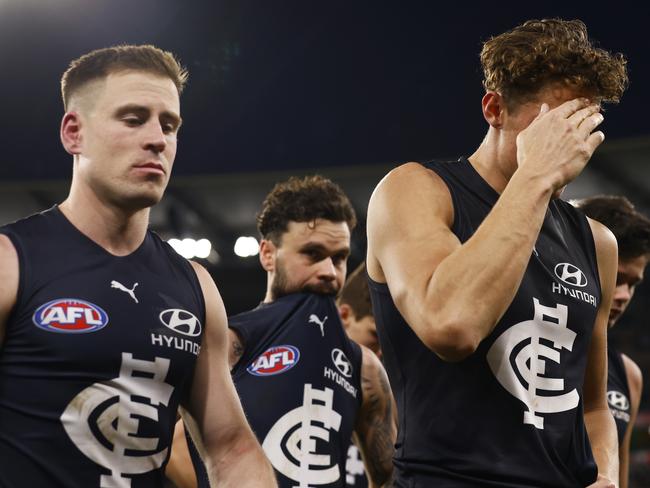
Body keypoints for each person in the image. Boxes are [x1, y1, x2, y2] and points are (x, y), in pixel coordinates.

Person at [366, 18, 628, 487]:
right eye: (557, 122)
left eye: (584, 123)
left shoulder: (597, 242)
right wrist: (535, 177)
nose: (571, 142)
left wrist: (607, 475)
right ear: (495, 109)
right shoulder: (414, 191)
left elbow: (591, 404)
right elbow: (452, 324)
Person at [0, 45, 275, 487]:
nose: (157, 139)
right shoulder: (10, 262)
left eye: (169, 125)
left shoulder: (195, 286)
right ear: (75, 133)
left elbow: (231, 448)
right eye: (133, 119)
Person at [168, 175, 395, 488]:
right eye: (313, 254)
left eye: (339, 258)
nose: (329, 272)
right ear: (268, 254)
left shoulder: (364, 366)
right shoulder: (229, 341)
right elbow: (165, 449)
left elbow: (388, 478)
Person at [575, 195, 650, 488]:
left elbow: (620, 480)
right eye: (617, 278)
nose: (623, 296)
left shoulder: (628, 376)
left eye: (632, 284)